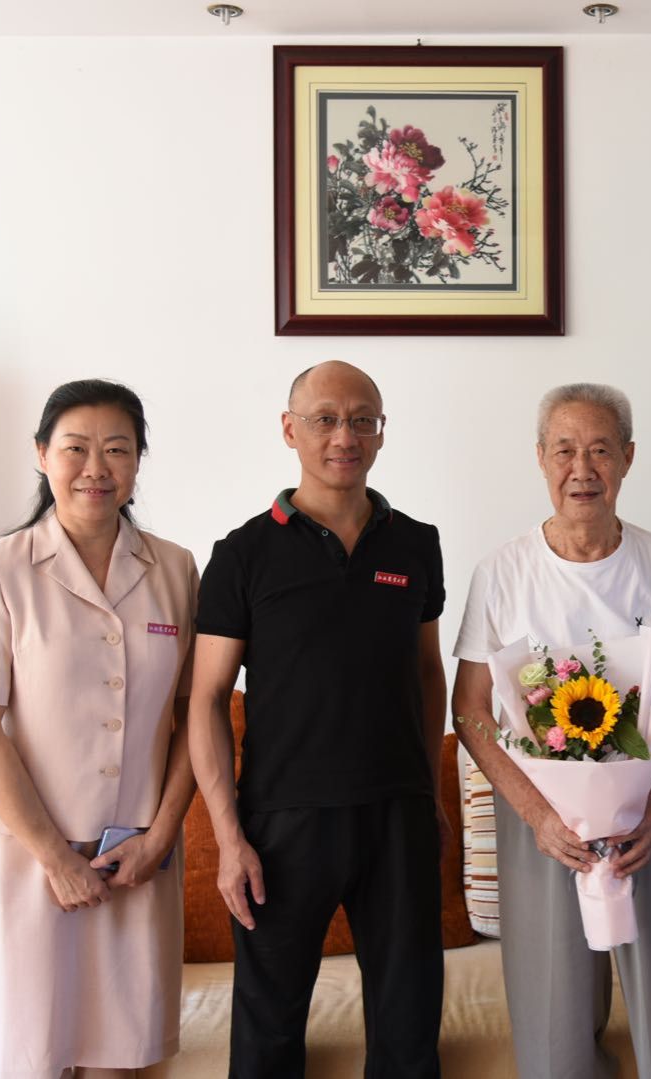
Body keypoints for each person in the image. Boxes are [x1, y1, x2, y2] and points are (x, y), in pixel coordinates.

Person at [452, 382, 651, 1079]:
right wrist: (537, 814)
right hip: (541, 818)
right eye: (565, 450)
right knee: (555, 1029)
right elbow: (471, 708)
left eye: (600, 450)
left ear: (628, 458)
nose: (583, 468)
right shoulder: (502, 571)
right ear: (541, 458)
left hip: (649, 810)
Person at [187, 361, 447, 1079]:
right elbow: (206, 698)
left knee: (409, 1029)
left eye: (363, 420)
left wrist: (427, 792)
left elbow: (428, 672)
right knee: (268, 1034)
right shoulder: (243, 553)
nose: (345, 436)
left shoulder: (416, 543)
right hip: (282, 822)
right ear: (289, 429)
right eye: (326, 419)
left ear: (381, 432)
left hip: (397, 814)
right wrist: (229, 837)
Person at [0, 379, 199, 1079]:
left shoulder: (175, 568)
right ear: (42, 455)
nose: (96, 467)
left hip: (133, 861)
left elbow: (192, 719)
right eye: (75, 448)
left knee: (120, 1059)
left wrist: (160, 837)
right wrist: (55, 858)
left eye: (117, 449)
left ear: (138, 461)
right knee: (26, 1055)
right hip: (27, 857)